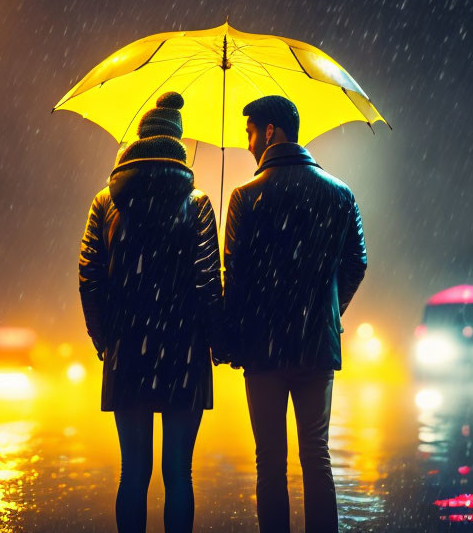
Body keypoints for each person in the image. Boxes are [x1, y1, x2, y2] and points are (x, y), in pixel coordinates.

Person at [222, 95, 367, 533]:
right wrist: (328, 310)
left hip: (263, 351)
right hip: (316, 348)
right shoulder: (340, 193)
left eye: (250, 133)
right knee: (316, 456)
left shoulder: (245, 197)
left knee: (270, 462)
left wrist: (232, 336)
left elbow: (237, 276)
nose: (247, 144)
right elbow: (356, 262)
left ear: (271, 132)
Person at [79, 92, 221, 533]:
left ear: (139, 140)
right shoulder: (196, 202)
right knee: (179, 473)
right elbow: (206, 282)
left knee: (133, 472)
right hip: (184, 350)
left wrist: (104, 338)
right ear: (179, 143)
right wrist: (216, 340)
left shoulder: (107, 202)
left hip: (127, 350)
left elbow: (89, 275)